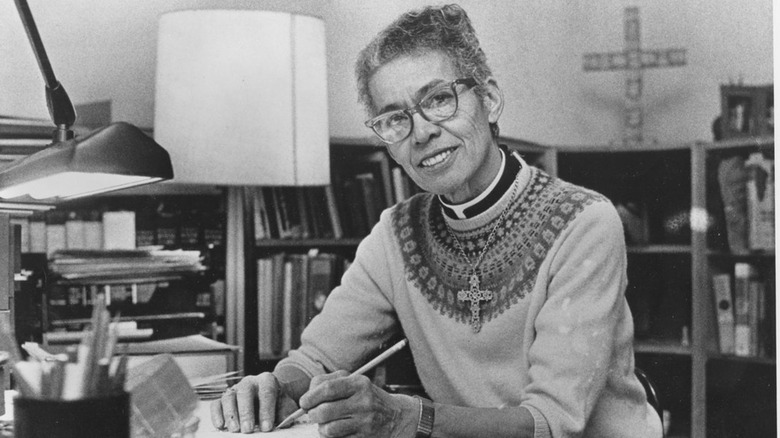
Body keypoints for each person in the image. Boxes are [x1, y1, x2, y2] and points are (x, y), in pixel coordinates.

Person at [211, 4, 663, 437]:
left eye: (439, 99)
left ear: (488, 100)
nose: (422, 131)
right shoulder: (396, 234)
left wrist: (406, 420)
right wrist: (274, 387)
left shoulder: (584, 222)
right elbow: (316, 360)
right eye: (394, 119)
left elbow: (552, 424)